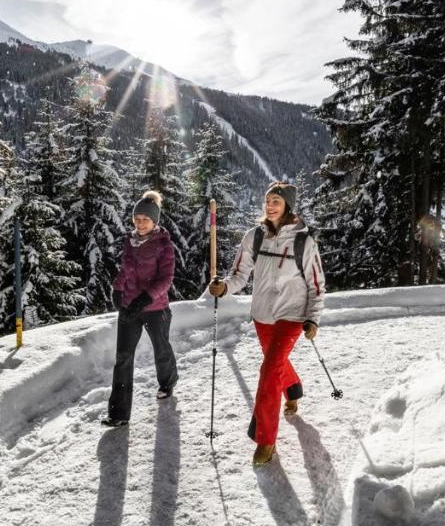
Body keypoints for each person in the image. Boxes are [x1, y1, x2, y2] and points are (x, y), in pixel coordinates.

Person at [208, 182, 326, 467]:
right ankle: (294, 388)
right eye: (268, 201)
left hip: (292, 313)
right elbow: (239, 274)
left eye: (277, 201)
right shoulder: (254, 237)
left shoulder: (303, 241)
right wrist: (224, 287)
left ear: (288, 205)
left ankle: (265, 438)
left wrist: (313, 317)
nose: (270, 206)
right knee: (275, 364)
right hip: (262, 313)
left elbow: (316, 284)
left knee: (269, 369)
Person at [102, 191, 179, 427]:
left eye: (145, 219)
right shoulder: (130, 241)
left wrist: (144, 299)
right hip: (129, 308)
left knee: (161, 349)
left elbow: (166, 279)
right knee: (123, 358)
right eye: (137, 218)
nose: (140, 223)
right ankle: (118, 414)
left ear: (155, 221)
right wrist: (117, 289)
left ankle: (168, 381)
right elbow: (125, 270)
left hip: (155, 307)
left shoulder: (164, 245)